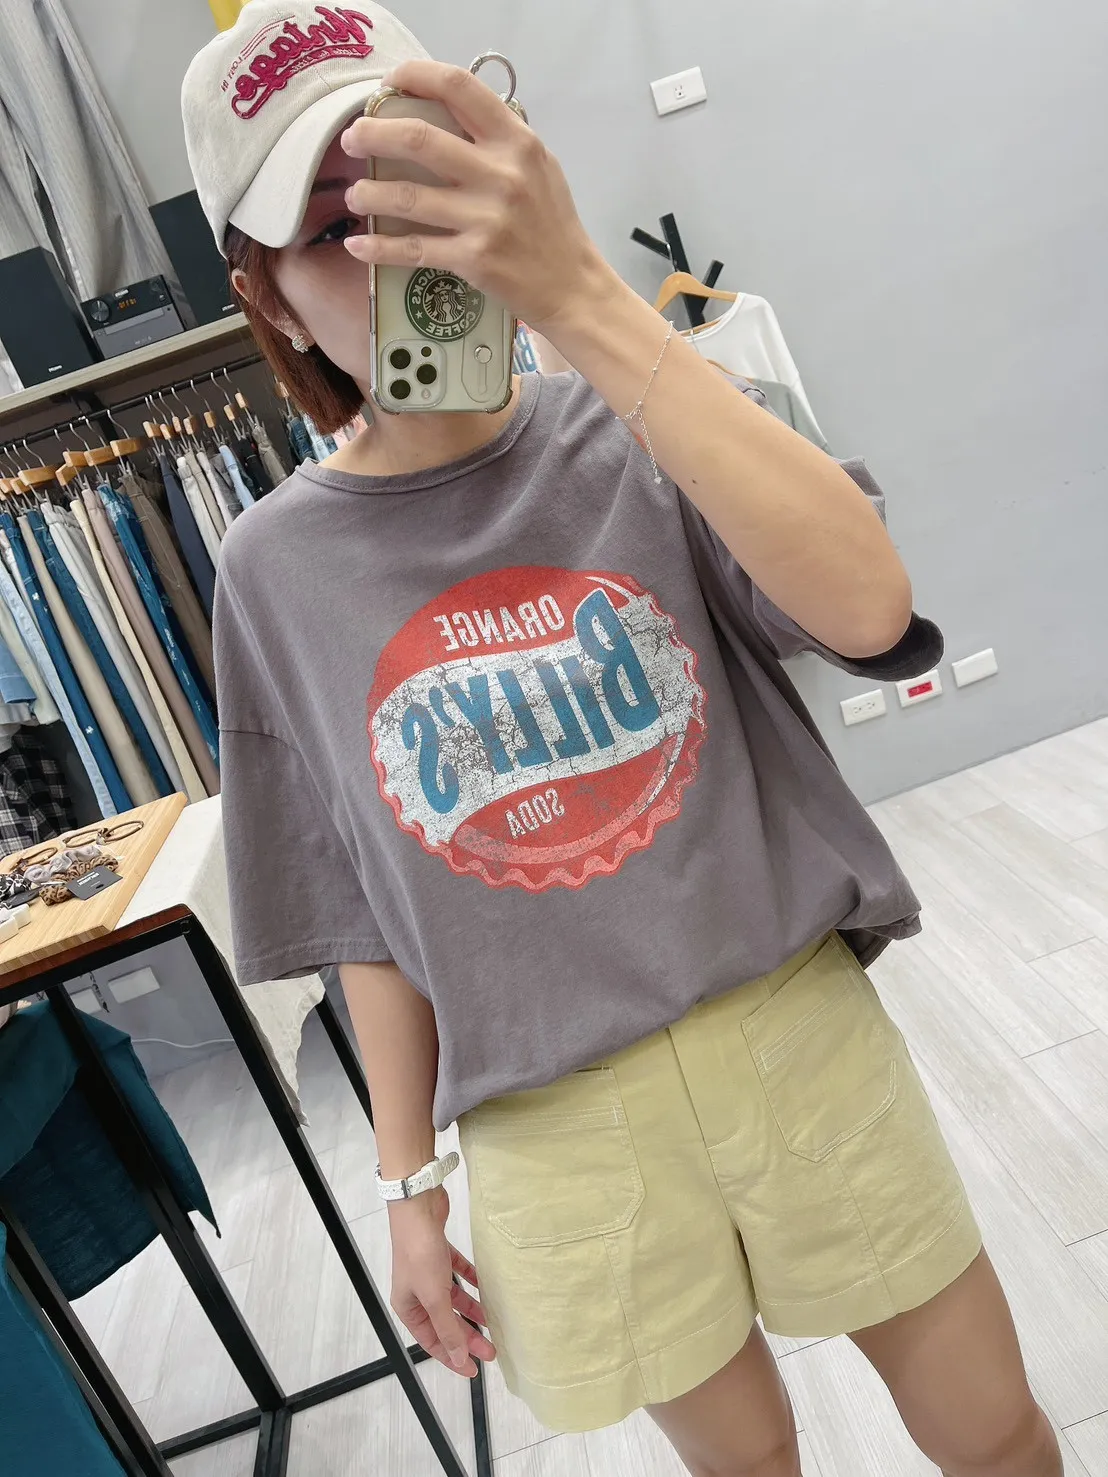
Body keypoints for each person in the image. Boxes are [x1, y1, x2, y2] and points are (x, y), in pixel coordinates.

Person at [182, 5, 1061, 1474]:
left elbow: (868, 608)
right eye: (339, 228)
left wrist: (581, 293)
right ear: (266, 294)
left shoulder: (648, 422)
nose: (400, 256)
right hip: (553, 1126)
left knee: (993, 1434)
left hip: (794, 1039)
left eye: (427, 187)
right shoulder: (274, 571)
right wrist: (407, 1189)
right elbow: (361, 906)